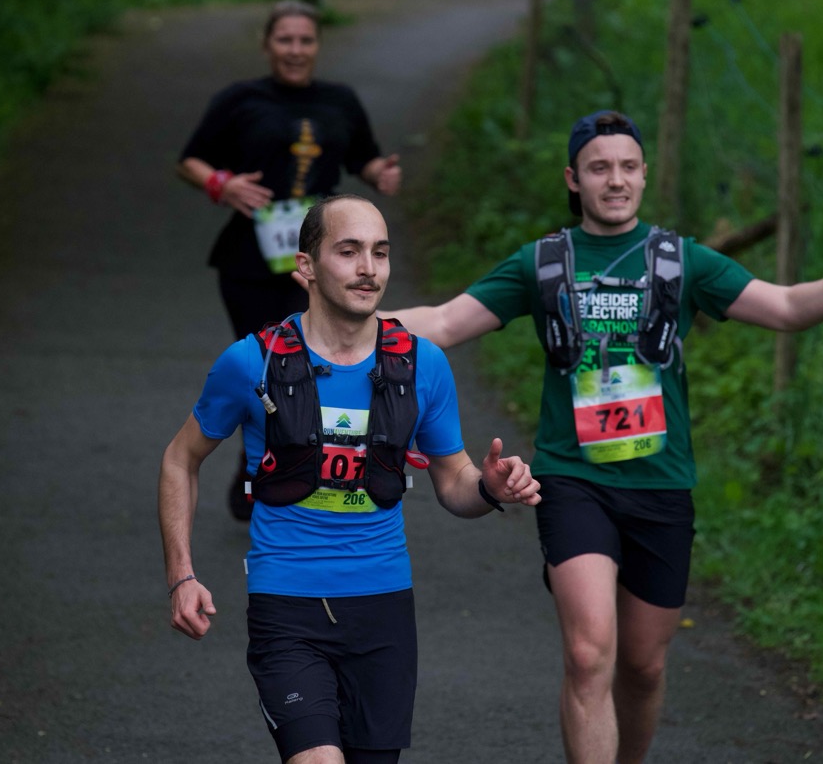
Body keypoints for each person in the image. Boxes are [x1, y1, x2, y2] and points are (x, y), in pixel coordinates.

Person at [384, 110, 823, 764]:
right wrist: (345, 314)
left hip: (661, 485)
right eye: (599, 168)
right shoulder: (543, 263)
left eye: (628, 167)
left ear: (644, 175)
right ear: (574, 179)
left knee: (642, 666)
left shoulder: (681, 261)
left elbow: (786, 307)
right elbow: (443, 322)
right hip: (573, 479)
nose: (615, 180)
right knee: (589, 654)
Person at [158, 194, 540, 764]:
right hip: (287, 602)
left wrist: (489, 487)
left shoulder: (422, 364)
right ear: (306, 265)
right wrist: (181, 576)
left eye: (380, 253)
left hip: (383, 608)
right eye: (349, 251)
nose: (368, 268)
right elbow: (179, 459)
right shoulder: (252, 362)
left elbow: (454, 482)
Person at [178, 0, 402, 521]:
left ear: (317, 46)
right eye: (285, 40)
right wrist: (222, 183)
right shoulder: (241, 100)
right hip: (251, 261)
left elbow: (363, 156)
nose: (296, 50)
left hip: (324, 258)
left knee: (314, 362)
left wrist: (380, 173)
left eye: (305, 40)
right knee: (268, 365)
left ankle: (298, 468)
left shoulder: (340, 100)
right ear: (267, 45)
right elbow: (190, 160)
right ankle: (259, 463)